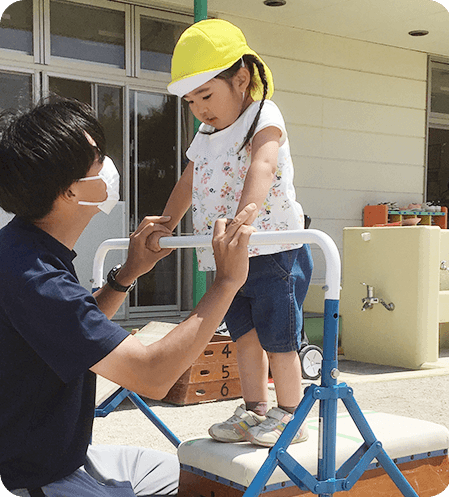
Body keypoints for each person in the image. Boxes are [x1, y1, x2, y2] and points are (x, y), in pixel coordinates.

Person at [0, 97, 257, 496]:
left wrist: (128, 273)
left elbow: (72, 333)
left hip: (64, 457)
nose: (109, 166)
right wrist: (225, 283)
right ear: (69, 191)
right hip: (34, 478)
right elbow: (152, 375)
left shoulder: (24, 248)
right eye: (98, 159)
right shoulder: (32, 274)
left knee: (196, 475)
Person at [147, 19, 313, 448]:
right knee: (243, 336)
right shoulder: (205, 133)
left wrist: (247, 216)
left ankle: (291, 415)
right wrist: (167, 222)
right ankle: (255, 409)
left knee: (279, 338)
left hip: (270, 246)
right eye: (190, 100)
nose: (200, 108)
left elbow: (263, 165)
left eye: (206, 94)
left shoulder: (264, 114)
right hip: (226, 255)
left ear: (242, 79)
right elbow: (187, 181)